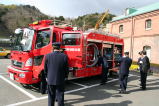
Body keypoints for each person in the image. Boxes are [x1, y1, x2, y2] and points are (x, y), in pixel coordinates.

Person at [44, 42, 69, 106]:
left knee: (51, 97)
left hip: (50, 79)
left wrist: (46, 77)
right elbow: (66, 69)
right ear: (59, 47)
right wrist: (66, 76)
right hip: (60, 79)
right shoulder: (64, 56)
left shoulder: (47, 56)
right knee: (60, 96)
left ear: (53, 47)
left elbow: (45, 68)